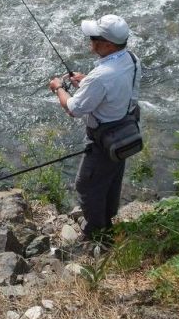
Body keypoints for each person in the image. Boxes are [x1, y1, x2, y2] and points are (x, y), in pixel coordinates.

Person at [48, 14, 141, 241]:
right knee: (112, 177)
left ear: (108, 44)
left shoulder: (99, 78)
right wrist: (86, 81)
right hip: (125, 131)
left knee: (86, 186)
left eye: (93, 38)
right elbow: (114, 86)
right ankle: (108, 218)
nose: (90, 41)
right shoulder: (131, 59)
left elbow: (73, 108)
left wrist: (58, 88)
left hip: (104, 139)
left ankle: (97, 233)